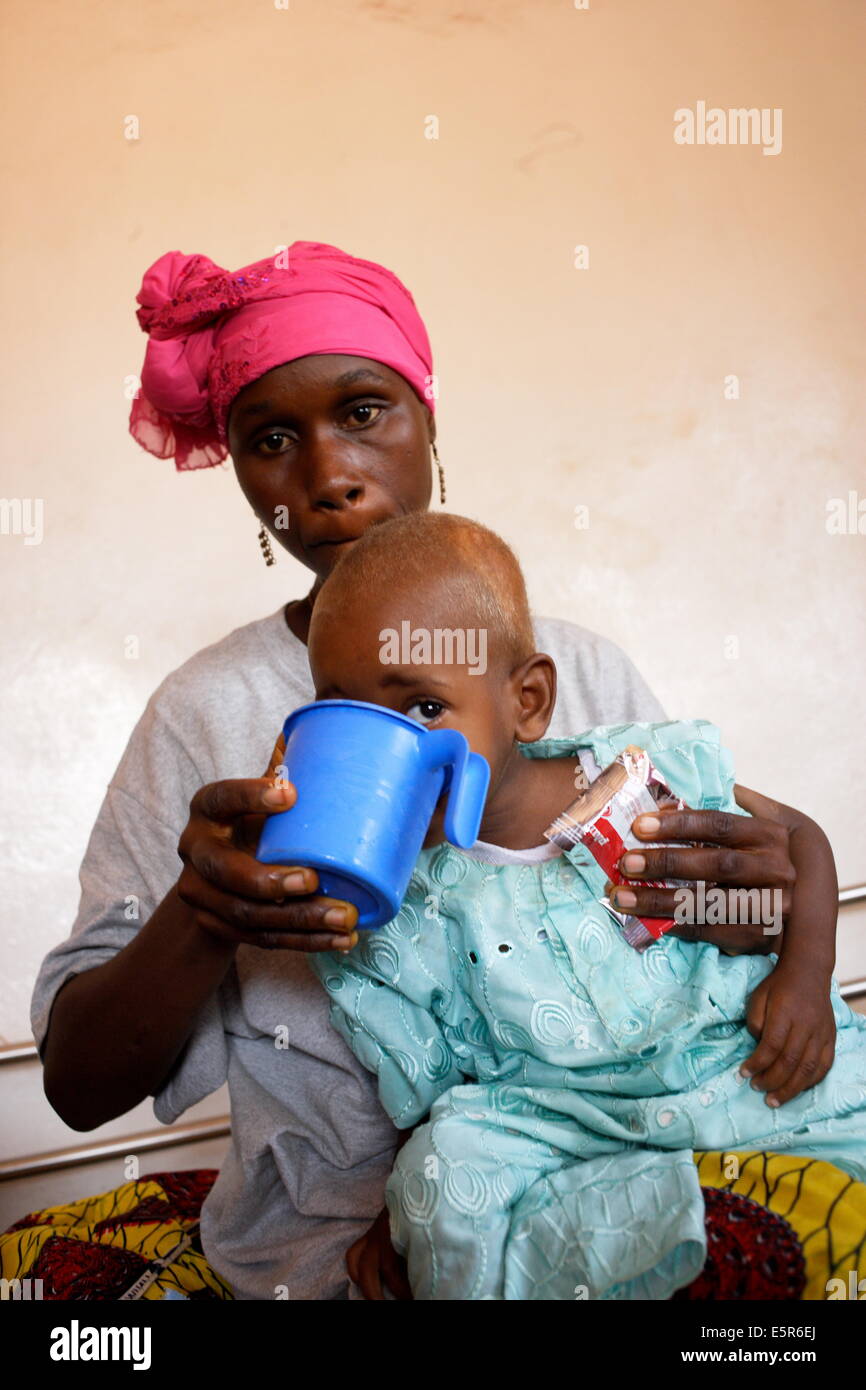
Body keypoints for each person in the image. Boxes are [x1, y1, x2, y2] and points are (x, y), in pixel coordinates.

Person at [20, 241, 825, 1301]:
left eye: (362, 412)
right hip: (321, 1250)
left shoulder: (565, 670)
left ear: (429, 423)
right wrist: (200, 913)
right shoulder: (202, 715)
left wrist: (756, 908)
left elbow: (721, 922)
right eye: (270, 440)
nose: (326, 475)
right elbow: (80, 1088)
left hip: (595, 1181)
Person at [302, 510, 866, 1301]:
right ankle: (623, 1228)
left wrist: (805, 975)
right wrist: (407, 1204)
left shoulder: (636, 772)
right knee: (439, 1168)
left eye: (425, 708)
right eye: (355, 718)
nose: (393, 749)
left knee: (840, 1092)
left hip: (725, 1063)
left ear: (527, 700)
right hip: (565, 1120)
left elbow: (799, 835)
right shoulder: (403, 901)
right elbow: (434, 1092)